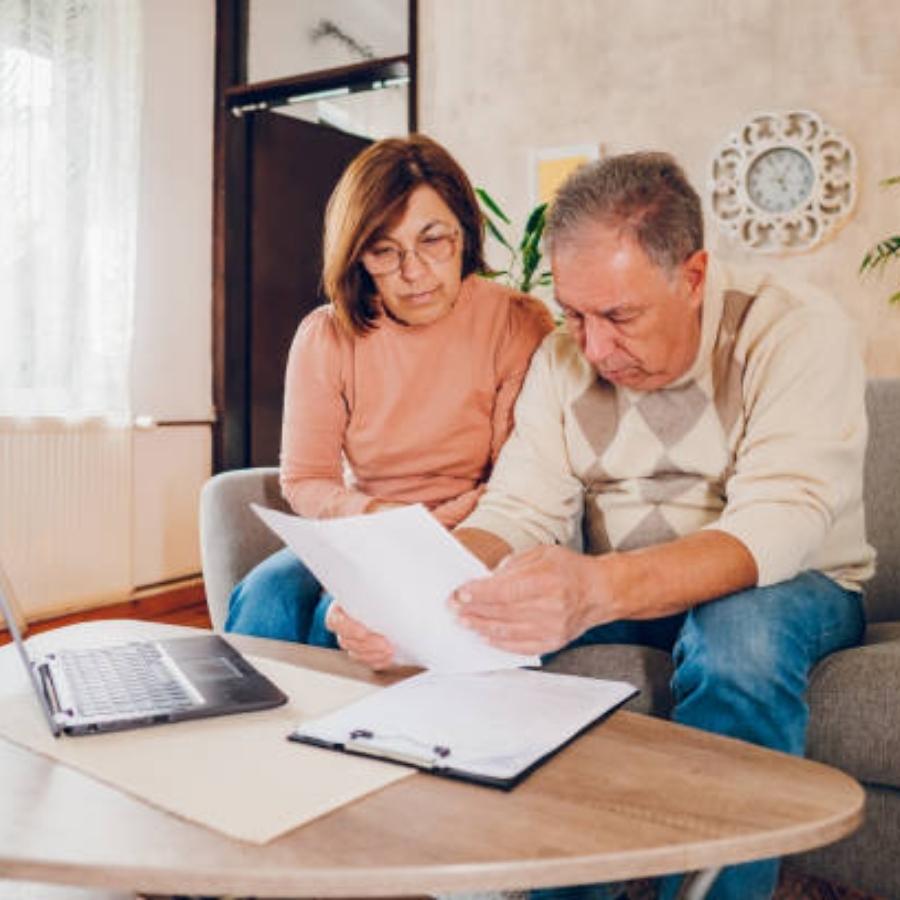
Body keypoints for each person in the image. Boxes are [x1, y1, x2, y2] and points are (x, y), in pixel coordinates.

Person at [341, 152, 874, 900]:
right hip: (619, 589)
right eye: (574, 315)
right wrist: (416, 592)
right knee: (489, 625)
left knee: (739, 639)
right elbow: (519, 509)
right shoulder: (563, 362)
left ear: (691, 278)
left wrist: (596, 587)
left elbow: (778, 525)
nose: (592, 348)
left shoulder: (792, 330)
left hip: (788, 585)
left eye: (619, 317)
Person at [224, 134, 553, 654]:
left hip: (475, 530)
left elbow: (517, 483)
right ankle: (251, 735)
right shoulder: (326, 334)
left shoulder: (516, 322)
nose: (413, 272)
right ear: (357, 256)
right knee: (266, 597)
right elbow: (307, 479)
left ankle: (347, 732)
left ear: (465, 232)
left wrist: (416, 535)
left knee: (333, 623)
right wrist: (379, 521)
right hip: (365, 531)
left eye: (433, 240)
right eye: (384, 251)